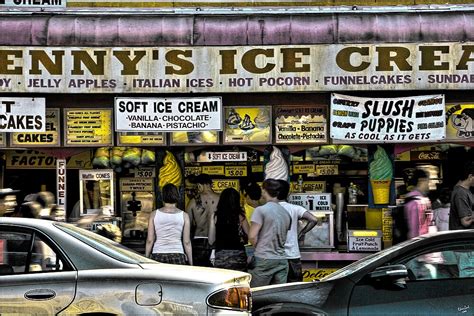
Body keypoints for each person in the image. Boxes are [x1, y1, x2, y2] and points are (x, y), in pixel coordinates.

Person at [248, 179, 291, 287]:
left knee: (257, 294)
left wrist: (259, 248)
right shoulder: (285, 213)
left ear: (264, 191)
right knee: (277, 296)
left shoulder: (260, 210)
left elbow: (252, 236)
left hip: (264, 259)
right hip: (281, 260)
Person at [277, 180, 318, 282]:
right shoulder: (295, 208)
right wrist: (302, 232)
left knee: (277, 288)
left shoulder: (269, 209)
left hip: (276, 256)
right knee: (294, 288)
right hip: (293, 254)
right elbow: (314, 219)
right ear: (289, 193)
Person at [145, 183, 193, 265]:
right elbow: (187, 242)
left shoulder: (154, 214)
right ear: (177, 195)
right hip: (177, 254)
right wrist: (191, 263)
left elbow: (150, 240)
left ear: (162, 196)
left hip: (158, 254)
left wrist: (146, 258)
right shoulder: (184, 216)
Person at [208, 188, 249, 272]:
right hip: (238, 254)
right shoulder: (240, 216)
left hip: (221, 255)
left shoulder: (215, 216)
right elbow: (249, 233)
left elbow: (211, 241)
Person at [185, 174, 219, 267]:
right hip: (216, 241)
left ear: (200, 185)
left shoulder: (193, 201)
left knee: (199, 273)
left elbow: (188, 225)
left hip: (198, 240)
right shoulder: (221, 199)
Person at [404, 168, 432, 239]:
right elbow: (414, 232)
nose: (428, 185)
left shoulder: (413, 199)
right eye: (427, 182)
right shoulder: (415, 202)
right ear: (421, 181)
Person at [449, 161, 474, 230]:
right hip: (462, 237)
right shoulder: (461, 193)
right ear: (470, 176)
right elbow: (465, 222)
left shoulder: (466, 191)